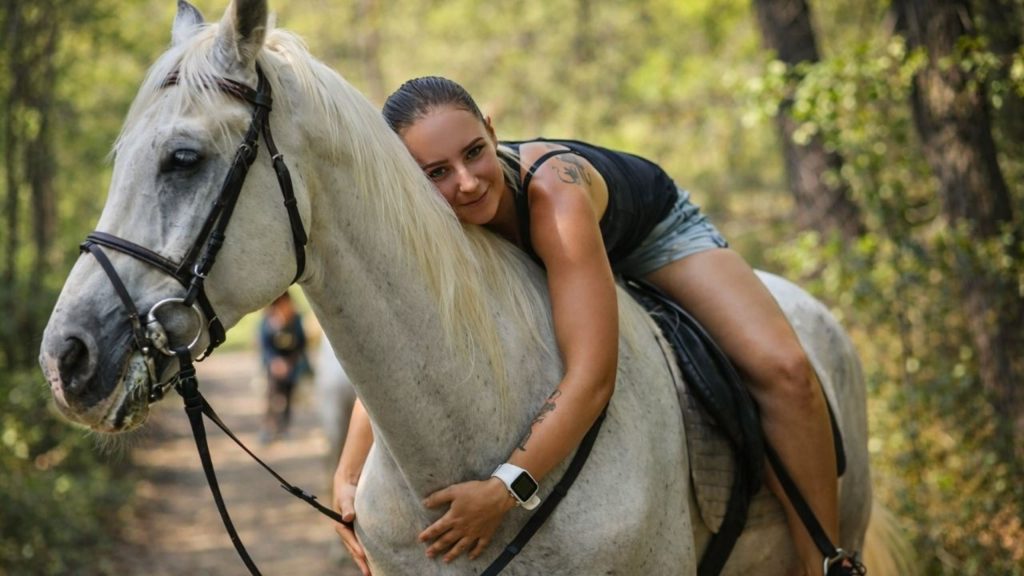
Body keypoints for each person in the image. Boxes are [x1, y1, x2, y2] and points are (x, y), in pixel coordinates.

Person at [334, 76, 854, 576]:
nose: (466, 182)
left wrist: (504, 489)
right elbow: (404, 351)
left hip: (651, 236)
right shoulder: (427, 219)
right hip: (560, 257)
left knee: (783, 369)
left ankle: (824, 559)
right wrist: (350, 471)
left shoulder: (555, 191)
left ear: (492, 131)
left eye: (474, 152)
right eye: (437, 172)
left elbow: (593, 379)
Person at [259, 291, 308, 444]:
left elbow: (301, 344)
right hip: (273, 365)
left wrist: (290, 363)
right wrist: (275, 362)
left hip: (291, 364)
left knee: (289, 395)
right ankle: (268, 428)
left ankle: (284, 428)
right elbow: (265, 346)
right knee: (271, 396)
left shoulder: (296, 319)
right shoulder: (268, 321)